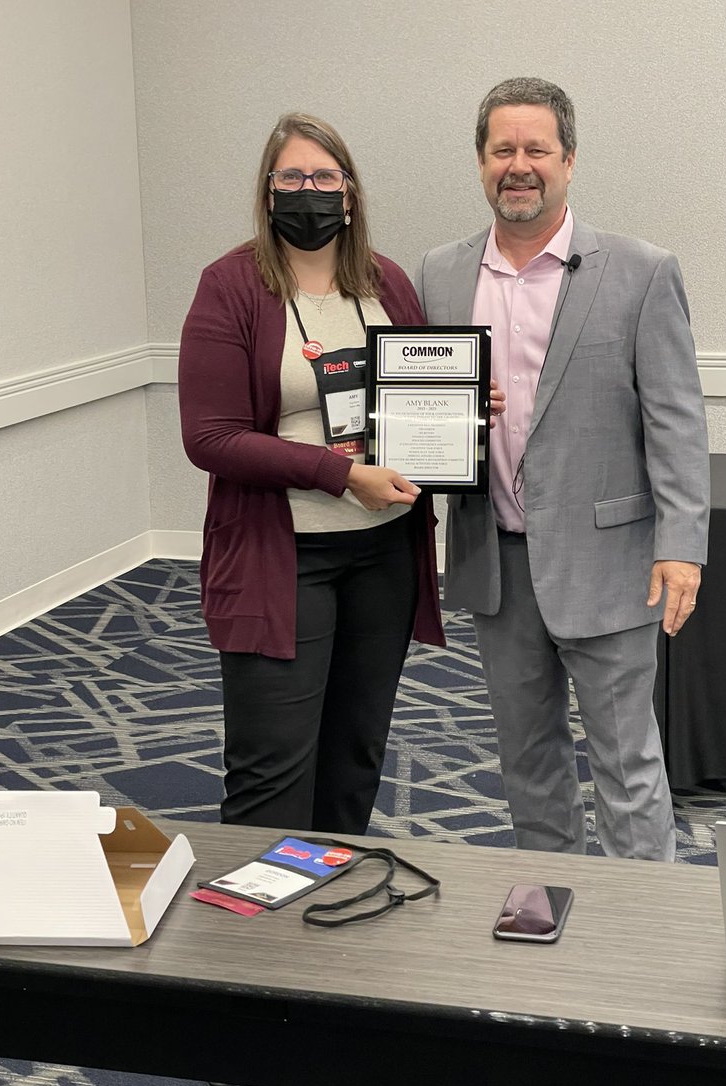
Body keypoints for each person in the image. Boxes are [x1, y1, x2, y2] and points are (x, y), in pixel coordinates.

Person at [416, 78, 710, 861]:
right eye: (502, 150)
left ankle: (640, 917)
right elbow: (422, 407)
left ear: (569, 160)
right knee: (527, 760)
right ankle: (549, 906)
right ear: (481, 162)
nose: (519, 165)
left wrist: (682, 546)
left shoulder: (641, 270)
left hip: (609, 563)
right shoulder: (440, 273)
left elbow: (677, 419)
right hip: (495, 563)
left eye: (537, 149)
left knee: (626, 764)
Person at [179, 112, 445, 840]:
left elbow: (418, 392)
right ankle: (255, 910)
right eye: (292, 177)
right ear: (268, 192)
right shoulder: (231, 285)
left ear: (349, 192)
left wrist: (463, 408)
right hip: (282, 556)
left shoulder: (384, 281)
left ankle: (331, 886)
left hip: (385, 552)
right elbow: (210, 437)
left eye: (325, 177)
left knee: (355, 755)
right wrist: (338, 474)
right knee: (271, 767)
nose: (309, 190)